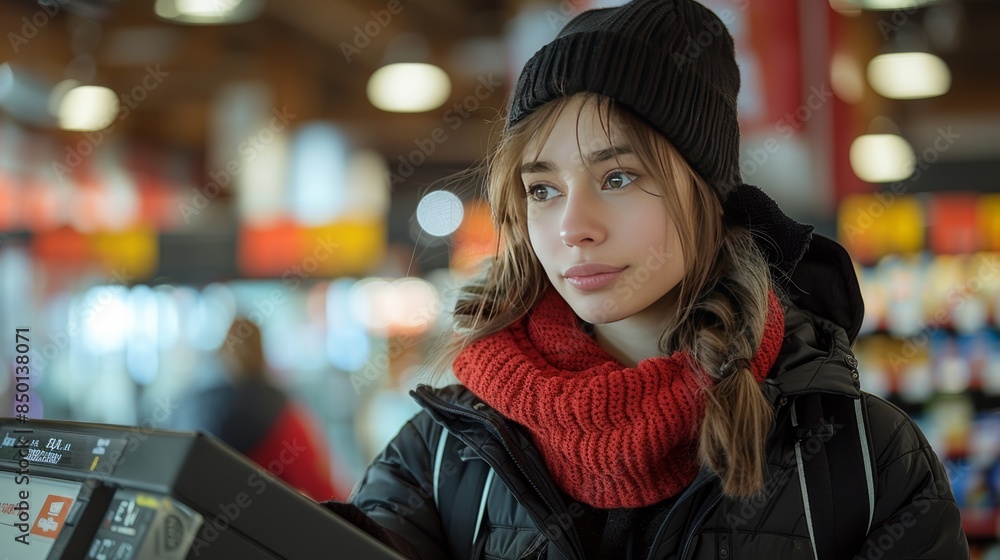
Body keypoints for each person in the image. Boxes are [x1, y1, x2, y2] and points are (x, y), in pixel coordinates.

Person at [324, 0, 969, 558]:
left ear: (708, 197)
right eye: (543, 188)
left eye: (618, 177)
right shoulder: (439, 459)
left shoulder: (865, 458)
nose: (573, 226)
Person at [174, 317, 344, 502]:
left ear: (221, 353)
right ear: (263, 353)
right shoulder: (283, 414)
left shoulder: (195, 409)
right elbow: (324, 492)